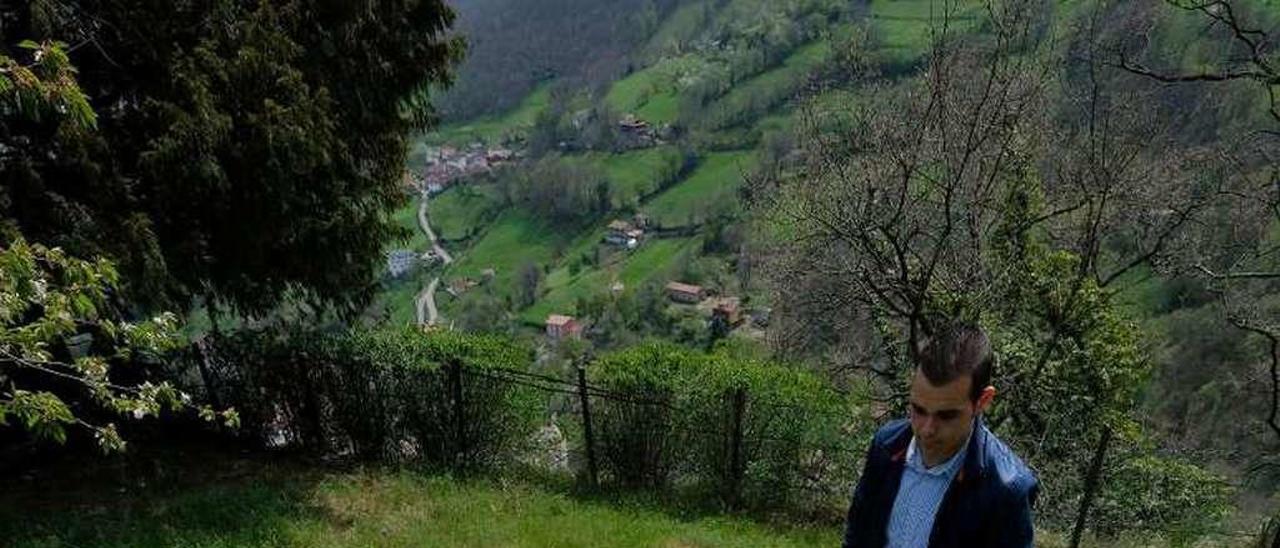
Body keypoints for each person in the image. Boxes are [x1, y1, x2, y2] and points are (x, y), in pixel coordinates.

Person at [842, 324, 1038, 548]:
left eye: (946, 416)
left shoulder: (1006, 489)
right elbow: (858, 535)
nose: (927, 429)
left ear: (983, 401)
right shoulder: (886, 445)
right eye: (918, 409)